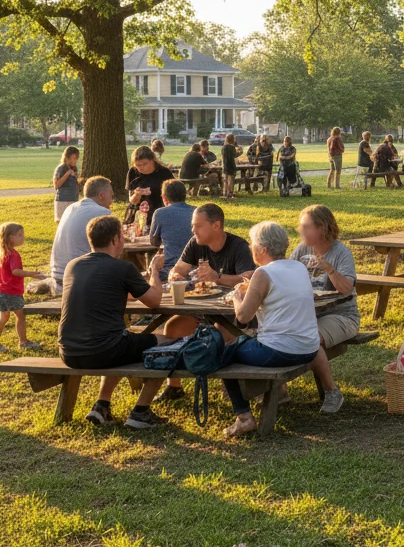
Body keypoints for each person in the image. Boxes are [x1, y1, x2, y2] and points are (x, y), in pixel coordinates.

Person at [58, 214, 170, 428]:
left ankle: (102, 406)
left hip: (69, 352)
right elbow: (154, 301)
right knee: (168, 344)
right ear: (116, 239)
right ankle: (141, 412)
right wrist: (154, 271)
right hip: (104, 350)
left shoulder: (73, 266)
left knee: (122, 341)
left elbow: (109, 291)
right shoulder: (122, 268)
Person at [221, 221, 324, 437]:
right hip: (309, 348)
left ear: (263, 249)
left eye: (252, 244)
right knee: (244, 342)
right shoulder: (298, 267)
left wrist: (237, 298)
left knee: (224, 351)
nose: (250, 248)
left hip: (279, 351)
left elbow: (242, 317)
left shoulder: (263, 274)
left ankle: (244, 418)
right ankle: (261, 396)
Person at [156, 204, 256, 403]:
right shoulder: (195, 243)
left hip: (232, 313)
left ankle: (231, 385)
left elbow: (249, 280)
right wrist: (175, 275)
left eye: (198, 226)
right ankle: (174, 388)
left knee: (218, 334)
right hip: (202, 309)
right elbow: (177, 269)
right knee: (172, 327)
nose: (193, 230)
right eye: (193, 226)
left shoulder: (238, 247)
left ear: (216, 226)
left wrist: (217, 277)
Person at [291, 205, 357, 412]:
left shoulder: (341, 252)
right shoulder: (302, 250)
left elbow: (346, 288)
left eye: (305, 227)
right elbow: (286, 275)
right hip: (308, 315)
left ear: (321, 228)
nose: (300, 231)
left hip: (341, 316)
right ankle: (278, 391)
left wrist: (328, 268)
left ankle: (332, 392)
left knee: (309, 338)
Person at [50, 177, 115, 294]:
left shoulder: (70, 208)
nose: (112, 199)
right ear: (101, 195)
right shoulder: (102, 212)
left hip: (58, 275)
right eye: (111, 195)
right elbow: (112, 246)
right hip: (78, 277)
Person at [0, 222, 47, 352]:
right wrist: (31, 274)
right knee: (20, 316)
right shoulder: (13, 254)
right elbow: (15, 271)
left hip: (0, 291)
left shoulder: (3, 252)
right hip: (11, 292)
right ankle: (23, 341)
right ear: (11, 237)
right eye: (20, 235)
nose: (23, 237)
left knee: (4, 317)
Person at [149, 179, 196, 280]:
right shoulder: (197, 211)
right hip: (197, 269)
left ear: (164, 197)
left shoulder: (160, 213)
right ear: (185, 195)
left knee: (153, 267)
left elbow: (154, 242)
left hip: (170, 269)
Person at [126, 145, 175, 221]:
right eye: (138, 165)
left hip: (159, 211)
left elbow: (173, 197)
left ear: (153, 160)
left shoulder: (164, 173)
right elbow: (132, 201)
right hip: (138, 213)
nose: (141, 167)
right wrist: (137, 194)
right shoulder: (133, 172)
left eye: (145, 164)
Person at [52, 145, 80, 221]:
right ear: (66, 158)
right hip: (63, 200)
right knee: (62, 223)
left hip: (73, 199)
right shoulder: (61, 168)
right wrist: (67, 174)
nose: (74, 161)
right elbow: (56, 185)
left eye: (76, 158)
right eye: (72, 158)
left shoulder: (74, 168)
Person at [221, 133, 240, 199]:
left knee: (225, 180)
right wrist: (240, 152)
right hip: (231, 165)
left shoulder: (223, 147)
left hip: (225, 165)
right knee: (231, 180)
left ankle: (225, 193)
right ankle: (230, 193)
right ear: (232, 139)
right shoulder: (232, 147)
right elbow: (234, 155)